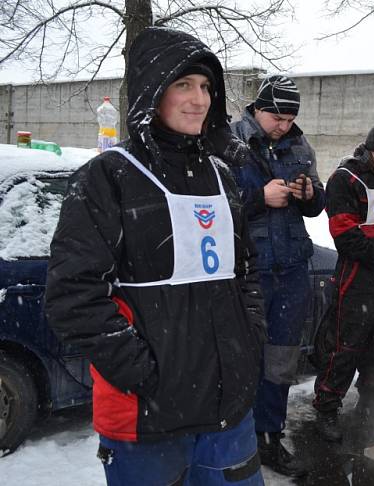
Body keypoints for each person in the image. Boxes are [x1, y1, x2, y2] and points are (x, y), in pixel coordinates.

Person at [45, 27, 266, 485]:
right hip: (147, 418)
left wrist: (249, 340)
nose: (199, 99)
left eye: (206, 86)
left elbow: (243, 271)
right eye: (182, 84)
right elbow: (73, 295)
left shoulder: (222, 177)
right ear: (152, 91)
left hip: (229, 412)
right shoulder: (107, 177)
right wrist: (143, 372)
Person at [230, 74, 325, 477]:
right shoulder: (228, 141)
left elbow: (318, 202)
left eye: (290, 119)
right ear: (258, 107)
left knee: (282, 359)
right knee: (244, 358)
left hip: (291, 269)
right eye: (277, 117)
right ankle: (238, 439)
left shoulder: (299, 145)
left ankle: (270, 435)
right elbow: (211, 205)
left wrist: (309, 196)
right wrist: (258, 198)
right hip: (248, 270)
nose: (283, 126)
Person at [312, 121, 374, 442]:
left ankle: (370, 394)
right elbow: (343, 232)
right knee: (345, 342)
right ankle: (327, 405)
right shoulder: (344, 179)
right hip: (356, 279)